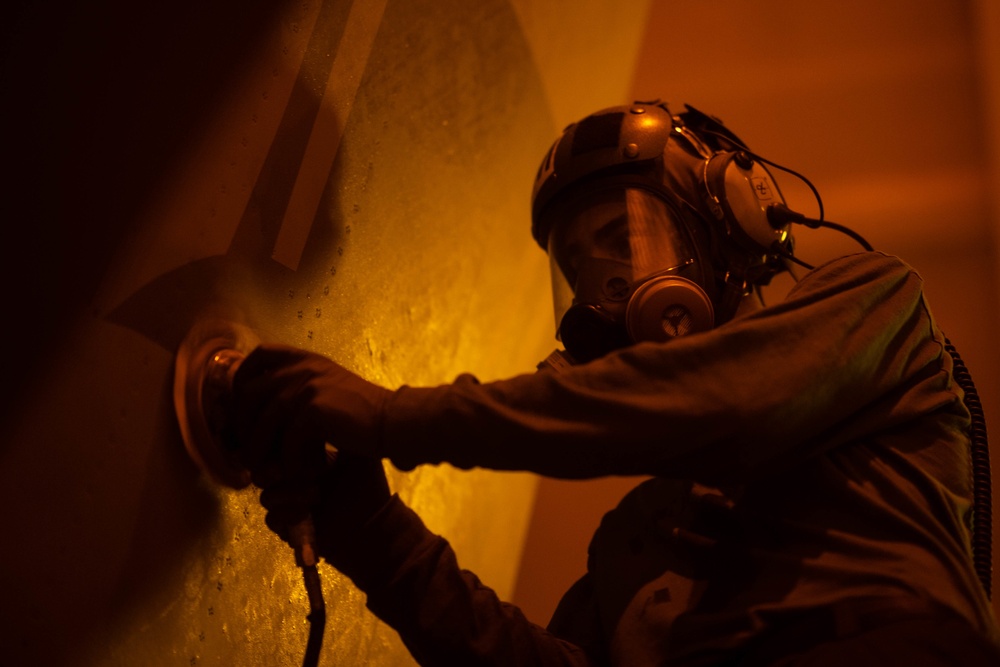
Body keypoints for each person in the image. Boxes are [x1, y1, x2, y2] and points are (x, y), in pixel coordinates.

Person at [231, 100, 1000, 665]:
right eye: (579, 271)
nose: (606, 289)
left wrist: (390, 416)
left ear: (737, 217)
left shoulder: (879, 308)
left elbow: (713, 398)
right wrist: (368, 530)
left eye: (623, 237)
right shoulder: (634, 537)